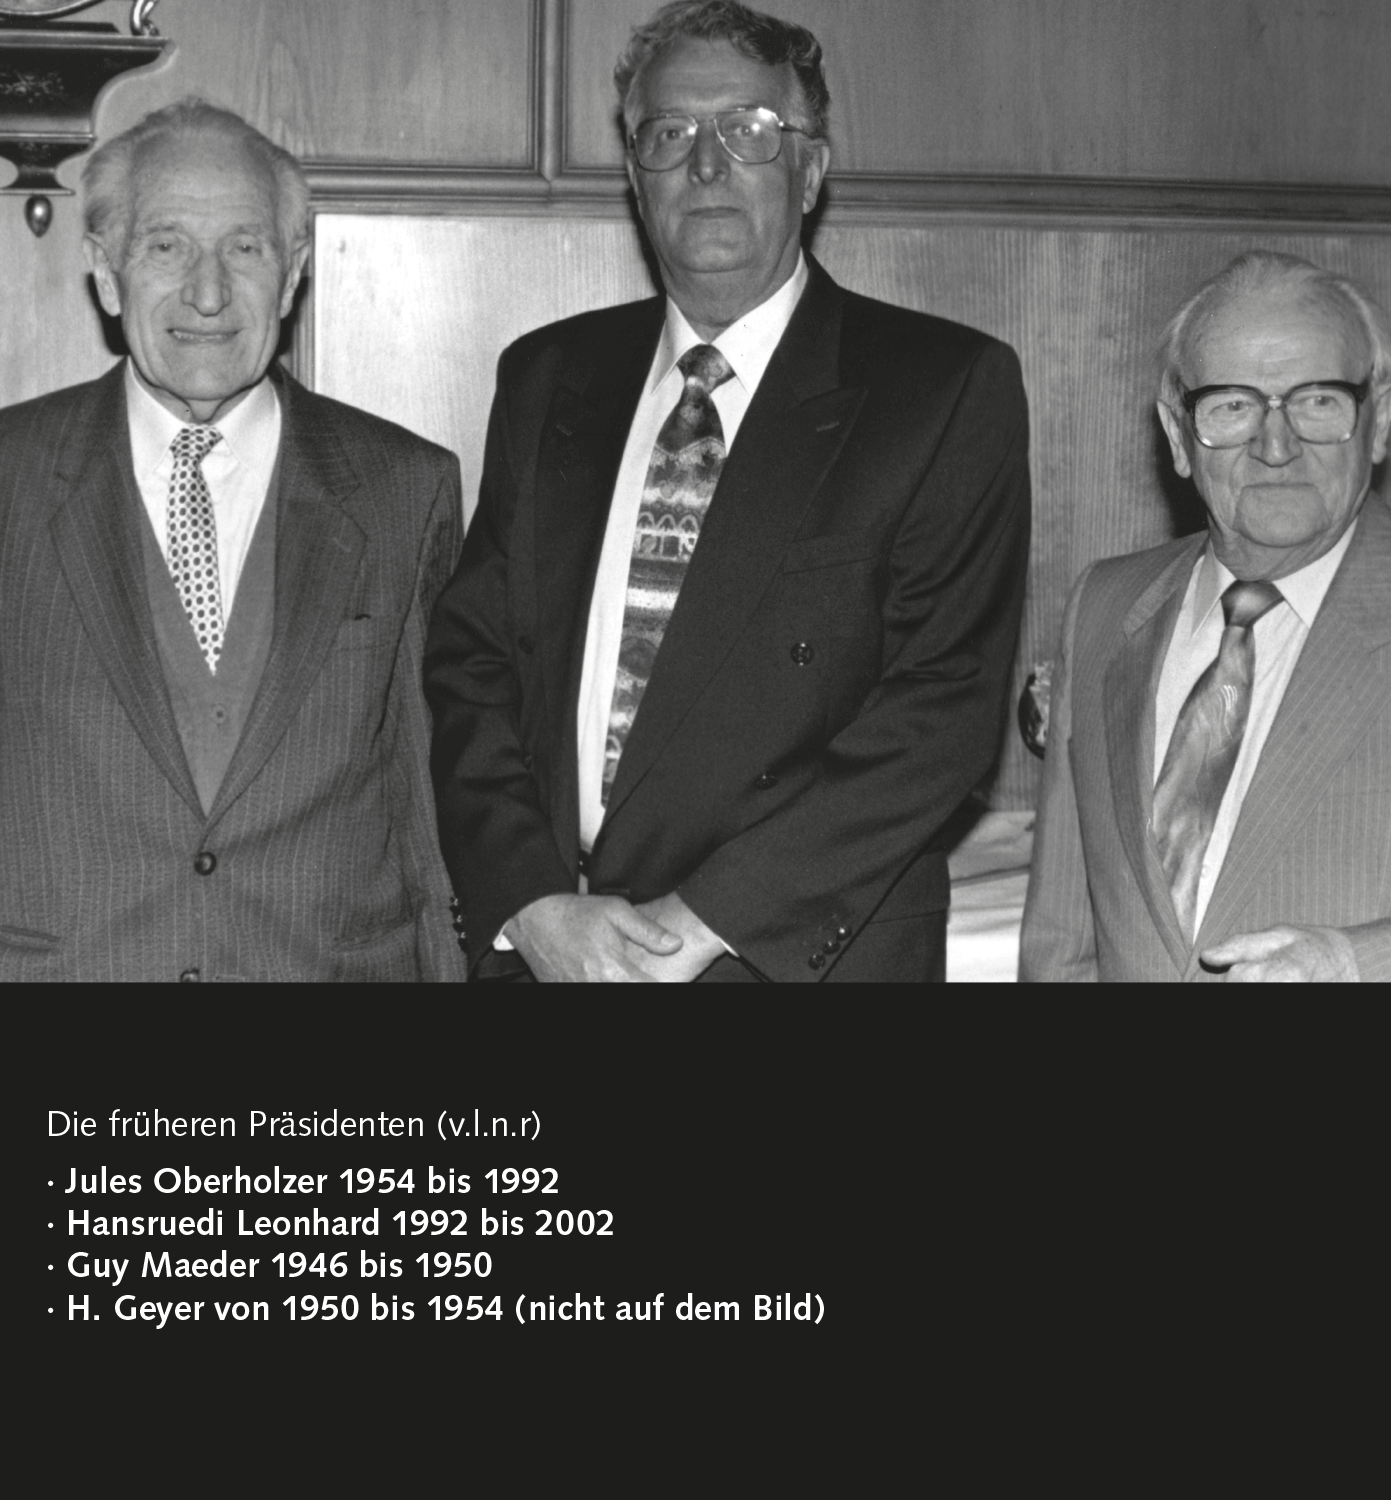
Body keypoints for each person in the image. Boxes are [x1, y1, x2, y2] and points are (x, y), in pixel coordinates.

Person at [426, 0, 1030, 982]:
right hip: (555, 952)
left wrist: (697, 924)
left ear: (811, 170)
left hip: (787, 960)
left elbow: (938, 714)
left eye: (748, 130)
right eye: (669, 133)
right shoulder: (548, 377)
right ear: (635, 176)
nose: (705, 164)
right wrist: (530, 901)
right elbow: (472, 666)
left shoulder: (940, 389)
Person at [0, 100, 464, 981]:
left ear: (291, 277)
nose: (207, 295)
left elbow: (424, 805)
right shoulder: (2, 481)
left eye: (245, 249)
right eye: (166, 247)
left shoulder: (405, 488)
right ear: (106, 274)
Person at [1021, 251, 1391, 982]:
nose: (1276, 447)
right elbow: (1063, 942)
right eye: (1233, 406)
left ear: (1379, 420)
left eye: (1318, 401)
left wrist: (1354, 963)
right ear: (1178, 435)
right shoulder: (1104, 606)